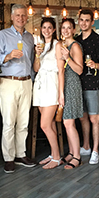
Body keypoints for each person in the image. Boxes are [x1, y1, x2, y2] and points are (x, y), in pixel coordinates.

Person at [0, 4, 36, 173]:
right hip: (8, 82)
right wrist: (9, 56)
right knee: (9, 122)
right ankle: (8, 157)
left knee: (24, 122)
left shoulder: (30, 37)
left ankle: (20, 154)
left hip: (26, 82)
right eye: (17, 15)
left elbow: (32, 61)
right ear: (12, 17)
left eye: (23, 15)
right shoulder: (2, 35)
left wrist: (32, 80)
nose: (21, 18)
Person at [75, 9, 99, 165]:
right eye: (82, 20)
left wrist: (95, 65)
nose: (84, 23)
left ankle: (95, 150)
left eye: (87, 20)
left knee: (95, 118)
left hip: (94, 84)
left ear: (92, 22)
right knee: (83, 118)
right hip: (78, 84)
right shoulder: (75, 40)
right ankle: (86, 146)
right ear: (78, 21)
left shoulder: (98, 40)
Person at [33, 17, 63, 169]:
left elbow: (61, 70)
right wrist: (37, 54)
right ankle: (53, 154)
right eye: (44, 27)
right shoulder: (40, 45)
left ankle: (57, 157)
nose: (46, 30)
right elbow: (36, 68)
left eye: (49, 27)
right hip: (40, 85)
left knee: (44, 124)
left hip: (51, 84)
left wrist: (61, 93)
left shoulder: (58, 45)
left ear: (54, 29)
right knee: (49, 124)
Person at [59, 18, 84, 169]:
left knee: (69, 122)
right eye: (63, 28)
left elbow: (80, 70)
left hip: (73, 84)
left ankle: (77, 156)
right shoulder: (63, 45)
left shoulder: (75, 46)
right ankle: (71, 152)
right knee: (66, 122)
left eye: (69, 28)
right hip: (65, 85)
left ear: (74, 30)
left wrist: (68, 58)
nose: (66, 30)